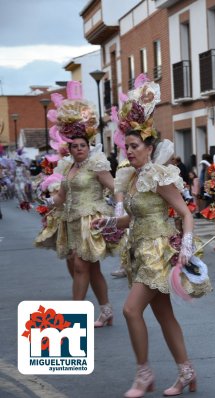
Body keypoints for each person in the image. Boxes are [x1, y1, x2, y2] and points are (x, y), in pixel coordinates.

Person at [93, 75, 210, 397]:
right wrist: (108, 224)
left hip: (158, 251)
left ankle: (143, 374)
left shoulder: (159, 176)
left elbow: (185, 213)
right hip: (138, 249)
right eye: (126, 146)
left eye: (134, 146)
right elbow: (133, 217)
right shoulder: (131, 178)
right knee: (164, 314)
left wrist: (186, 245)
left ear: (149, 148)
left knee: (132, 310)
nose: (128, 152)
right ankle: (186, 372)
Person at [44, 81, 115, 327]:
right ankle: (106, 310)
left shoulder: (97, 165)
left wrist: (118, 214)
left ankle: (74, 319)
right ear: (70, 149)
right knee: (92, 270)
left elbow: (115, 189)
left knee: (80, 266)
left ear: (88, 146)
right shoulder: (67, 168)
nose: (78, 149)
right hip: (72, 221)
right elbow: (61, 198)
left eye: (82, 145)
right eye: (74, 146)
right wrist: (45, 203)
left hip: (92, 220)